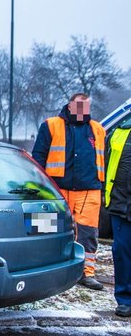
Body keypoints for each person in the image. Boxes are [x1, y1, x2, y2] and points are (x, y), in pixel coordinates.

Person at [32, 93, 106, 290]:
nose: (82, 111)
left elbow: (103, 159)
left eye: (85, 107)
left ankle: (86, 273)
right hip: (56, 189)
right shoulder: (50, 125)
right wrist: (41, 186)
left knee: (88, 232)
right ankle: (43, 270)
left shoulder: (98, 129)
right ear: (70, 106)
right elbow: (38, 156)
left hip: (89, 190)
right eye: (78, 106)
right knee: (45, 229)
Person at [104, 118, 131, 317]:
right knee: (121, 253)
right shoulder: (118, 133)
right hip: (121, 204)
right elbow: (105, 164)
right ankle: (125, 300)